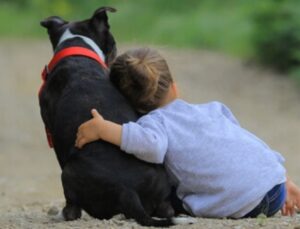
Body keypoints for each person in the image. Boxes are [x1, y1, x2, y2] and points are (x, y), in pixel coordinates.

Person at [75, 48, 300, 218]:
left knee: (169, 192)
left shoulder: (155, 123)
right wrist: (282, 177)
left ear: (131, 107)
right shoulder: (214, 109)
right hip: (275, 186)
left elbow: (150, 146)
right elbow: (245, 143)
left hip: (245, 204)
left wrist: (104, 129)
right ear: (174, 86)